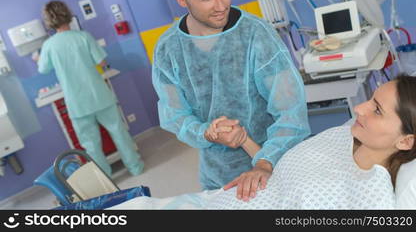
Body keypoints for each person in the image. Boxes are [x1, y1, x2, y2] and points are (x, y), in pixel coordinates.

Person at [110, 75, 416, 210]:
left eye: (376, 110)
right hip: (215, 205)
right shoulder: (342, 136)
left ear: (406, 141)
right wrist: (247, 143)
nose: (360, 109)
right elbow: (284, 175)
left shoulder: (371, 198)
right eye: (370, 100)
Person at [152, 0, 310, 197]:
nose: (220, 5)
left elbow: (290, 112)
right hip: (217, 179)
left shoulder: (257, 36)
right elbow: (175, 115)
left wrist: (264, 162)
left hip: (274, 167)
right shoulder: (168, 50)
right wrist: (206, 132)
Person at [37, 0, 144, 177]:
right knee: (119, 133)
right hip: (99, 95)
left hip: (77, 103)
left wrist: (38, 59)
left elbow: (43, 69)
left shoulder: (48, 46)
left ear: (48, 21)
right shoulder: (83, 36)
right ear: (68, 14)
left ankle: (106, 179)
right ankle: (136, 167)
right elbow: (102, 62)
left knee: (91, 145)